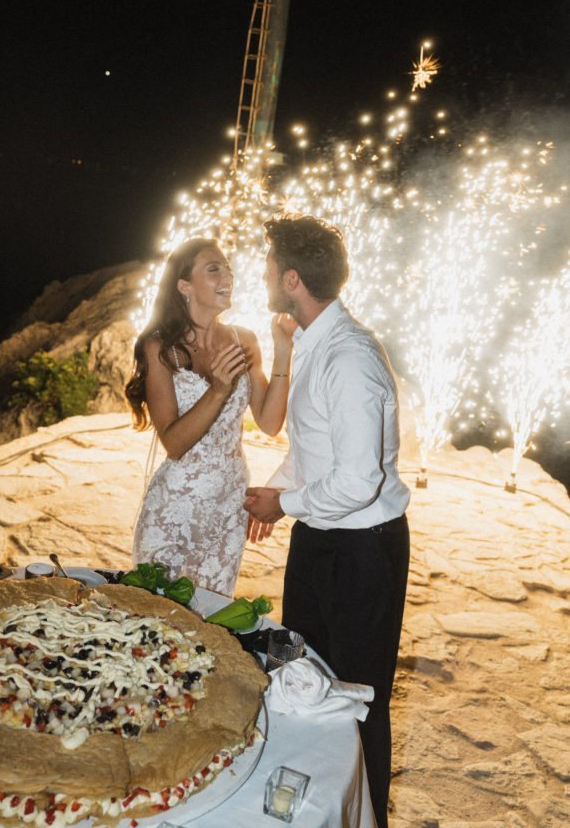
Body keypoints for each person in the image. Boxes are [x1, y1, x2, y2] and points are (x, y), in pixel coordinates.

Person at [244, 214, 410, 828]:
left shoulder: (350, 359)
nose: (263, 275)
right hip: (321, 540)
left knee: (359, 701)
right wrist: (277, 490)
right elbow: (315, 449)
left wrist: (285, 505)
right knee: (302, 679)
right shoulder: (314, 341)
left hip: (363, 551)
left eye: (269, 267)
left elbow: (360, 480)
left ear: (292, 279)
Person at [125, 236, 294, 596]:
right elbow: (174, 444)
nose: (227, 277)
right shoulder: (160, 348)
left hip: (228, 506)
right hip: (175, 506)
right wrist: (218, 389)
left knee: (211, 614)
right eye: (214, 270)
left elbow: (269, 423)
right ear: (184, 286)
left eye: (228, 270)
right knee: (155, 611)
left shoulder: (244, 340)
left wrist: (283, 350)